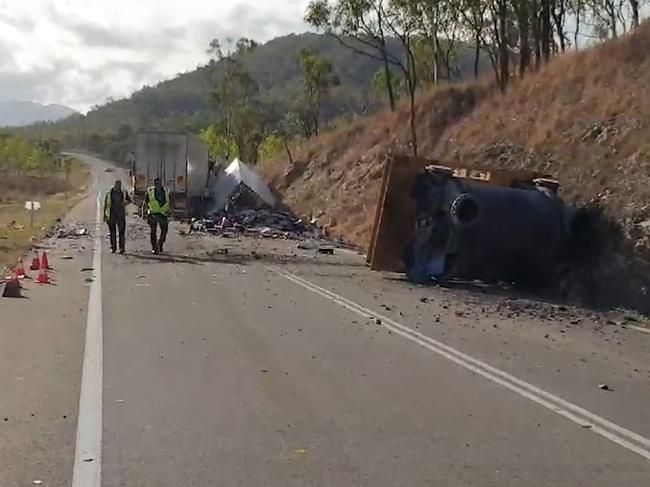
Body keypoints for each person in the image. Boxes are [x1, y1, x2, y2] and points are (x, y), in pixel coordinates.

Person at [143, 178, 172, 254]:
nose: (158, 185)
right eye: (156, 183)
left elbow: (170, 201)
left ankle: (160, 245)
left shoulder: (166, 191)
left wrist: (171, 211)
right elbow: (145, 203)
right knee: (153, 231)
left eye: (159, 183)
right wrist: (144, 213)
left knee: (164, 231)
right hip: (153, 214)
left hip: (163, 214)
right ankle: (155, 248)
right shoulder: (150, 191)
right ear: (154, 184)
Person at [104, 180, 130, 254]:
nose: (118, 186)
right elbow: (106, 205)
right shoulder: (110, 193)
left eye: (119, 185)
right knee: (112, 232)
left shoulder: (124, 192)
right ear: (115, 185)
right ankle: (113, 247)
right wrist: (105, 216)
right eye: (117, 184)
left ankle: (122, 248)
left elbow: (129, 200)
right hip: (112, 214)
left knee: (121, 232)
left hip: (120, 215)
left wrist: (125, 203)